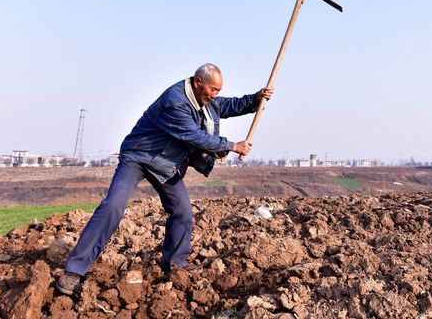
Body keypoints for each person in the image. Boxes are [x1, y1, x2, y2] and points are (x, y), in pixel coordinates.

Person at [56, 63, 272, 294]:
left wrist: (255, 99)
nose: (215, 95)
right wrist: (231, 145)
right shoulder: (175, 101)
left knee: (182, 213)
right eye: (213, 89)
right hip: (138, 157)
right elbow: (192, 136)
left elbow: (226, 105)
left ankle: (175, 266)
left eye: (218, 90)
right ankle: (75, 270)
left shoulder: (205, 99)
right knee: (114, 205)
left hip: (167, 164)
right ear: (198, 83)